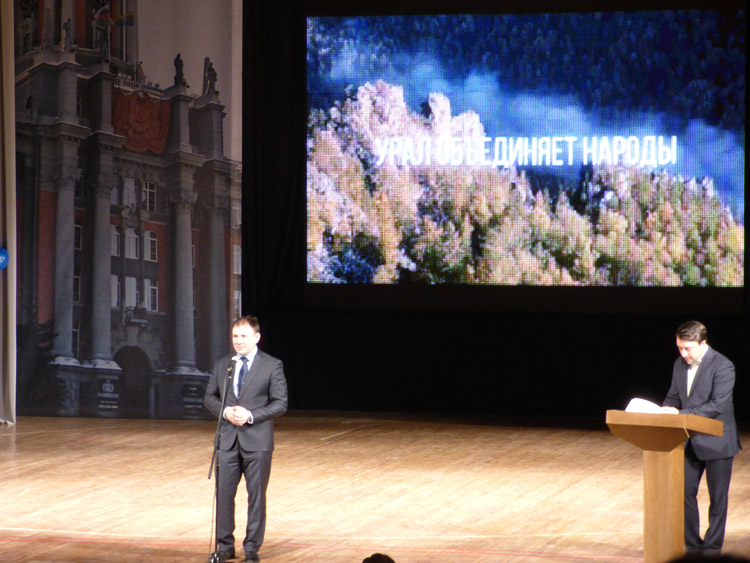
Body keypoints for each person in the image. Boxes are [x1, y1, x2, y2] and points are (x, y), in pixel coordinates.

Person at [204, 316, 288, 562]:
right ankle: (224, 547)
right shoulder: (223, 364)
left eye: (243, 336)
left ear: (256, 337)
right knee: (223, 496)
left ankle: (251, 549)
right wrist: (225, 412)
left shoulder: (272, 365)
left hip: (257, 442)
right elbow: (209, 397)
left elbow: (280, 403)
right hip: (227, 441)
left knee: (256, 497)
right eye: (235, 336)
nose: (238, 341)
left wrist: (251, 415)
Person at [661, 321, 742, 555]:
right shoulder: (679, 364)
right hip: (689, 441)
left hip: (717, 441)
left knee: (718, 497)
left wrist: (681, 414)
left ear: (703, 343)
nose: (683, 354)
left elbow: (718, 405)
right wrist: (663, 411)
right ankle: (692, 546)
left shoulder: (723, 365)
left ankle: (712, 548)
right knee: (684, 492)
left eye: (688, 348)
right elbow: (673, 396)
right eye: (679, 348)